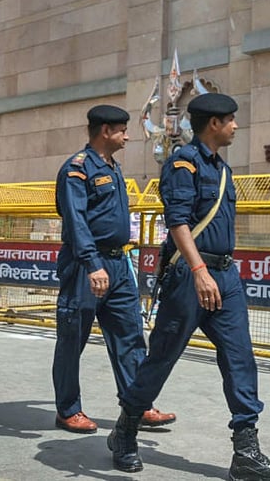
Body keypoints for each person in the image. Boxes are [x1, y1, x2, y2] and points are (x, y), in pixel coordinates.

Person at [108, 93, 270, 480]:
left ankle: (245, 452)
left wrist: (215, 272)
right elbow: (176, 221)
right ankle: (126, 428)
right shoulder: (183, 164)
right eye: (231, 120)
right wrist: (198, 270)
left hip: (225, 276)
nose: (236, 126)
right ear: (214, 124)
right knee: (162, 357)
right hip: (190, 277)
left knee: (240, 358)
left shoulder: (222, 168)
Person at [52, 104, 175, 435]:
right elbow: (76, 222)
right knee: (71, 338)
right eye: (122, 130)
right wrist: (93, 264)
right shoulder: (77, 169)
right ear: (105, 131)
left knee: (130, 336)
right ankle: (68, 410)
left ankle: (137, 404)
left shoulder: (113, 167)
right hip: (86, 265)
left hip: (118, 264)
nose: (128, 135)